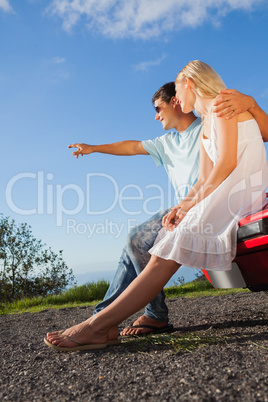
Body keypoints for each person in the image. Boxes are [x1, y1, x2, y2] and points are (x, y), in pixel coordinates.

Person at [45, 66, 268, 351]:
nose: (174, 98)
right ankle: (105, 322)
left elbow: (226, 166)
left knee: (160, 247)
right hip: (218, 195)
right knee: (151, 244)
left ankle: (100, 325)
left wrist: (251, 102)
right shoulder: (203, 128)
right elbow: (203, 178)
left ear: (187, 83)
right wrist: (183, 206)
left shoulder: (224, 106)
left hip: (236, 197)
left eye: (176, 91)